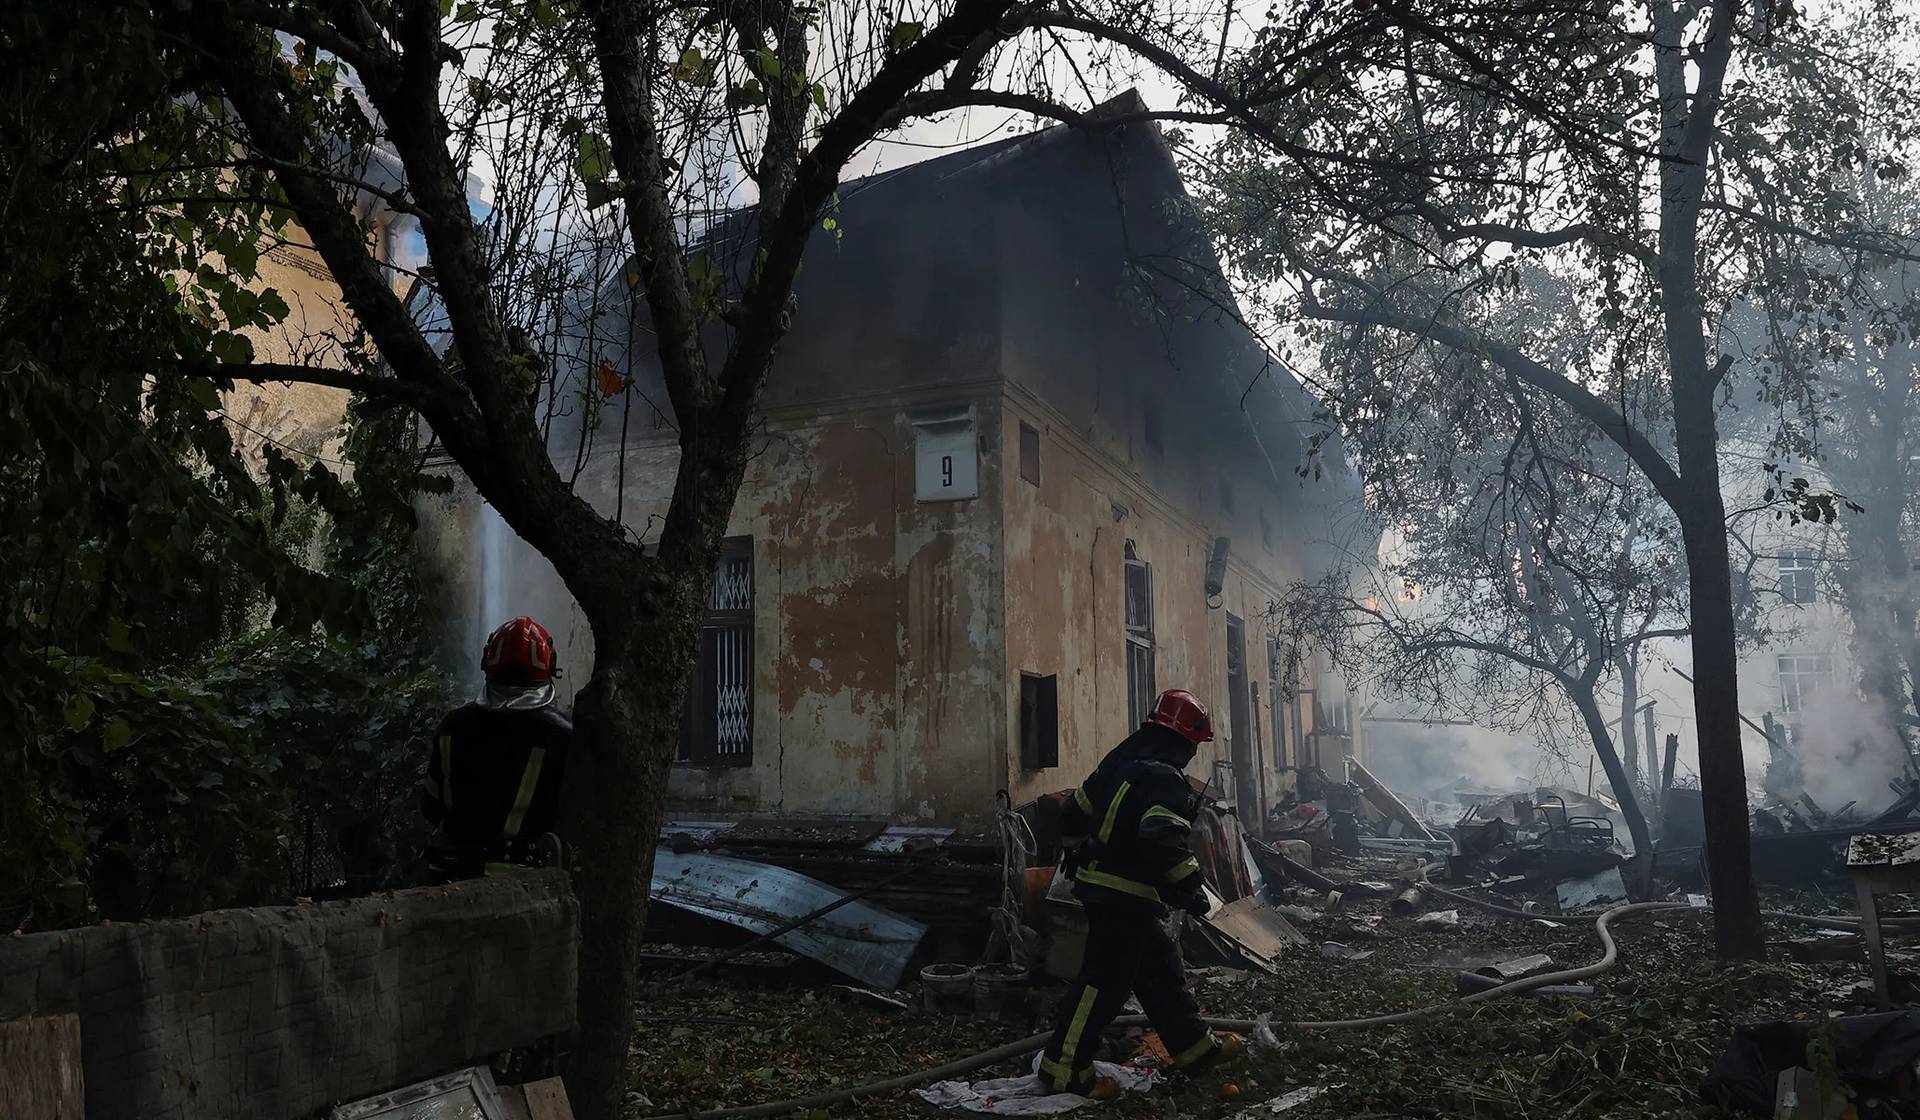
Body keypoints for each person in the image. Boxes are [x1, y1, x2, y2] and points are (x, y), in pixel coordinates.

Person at [1039, 688, 1246, 1097]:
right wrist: (1190, 888)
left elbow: (1070, 815)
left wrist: (1078, 852)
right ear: (1183, 740)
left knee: (1159, 970)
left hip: (1106, 891)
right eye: (1194, 745)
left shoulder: (1117, 763)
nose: (1192, 754)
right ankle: (1064, 1069)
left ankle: (1195, 1049)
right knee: (1104, 984)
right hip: (1125, 895)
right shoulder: (1165, 778)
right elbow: (1161, 836)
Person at [421, 616, 573, 880]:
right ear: (550, 666)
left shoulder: (452, 726)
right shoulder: (562, 736)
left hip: (446, 875)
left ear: (486, 662)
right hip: (519, 883)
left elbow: (431, 807)